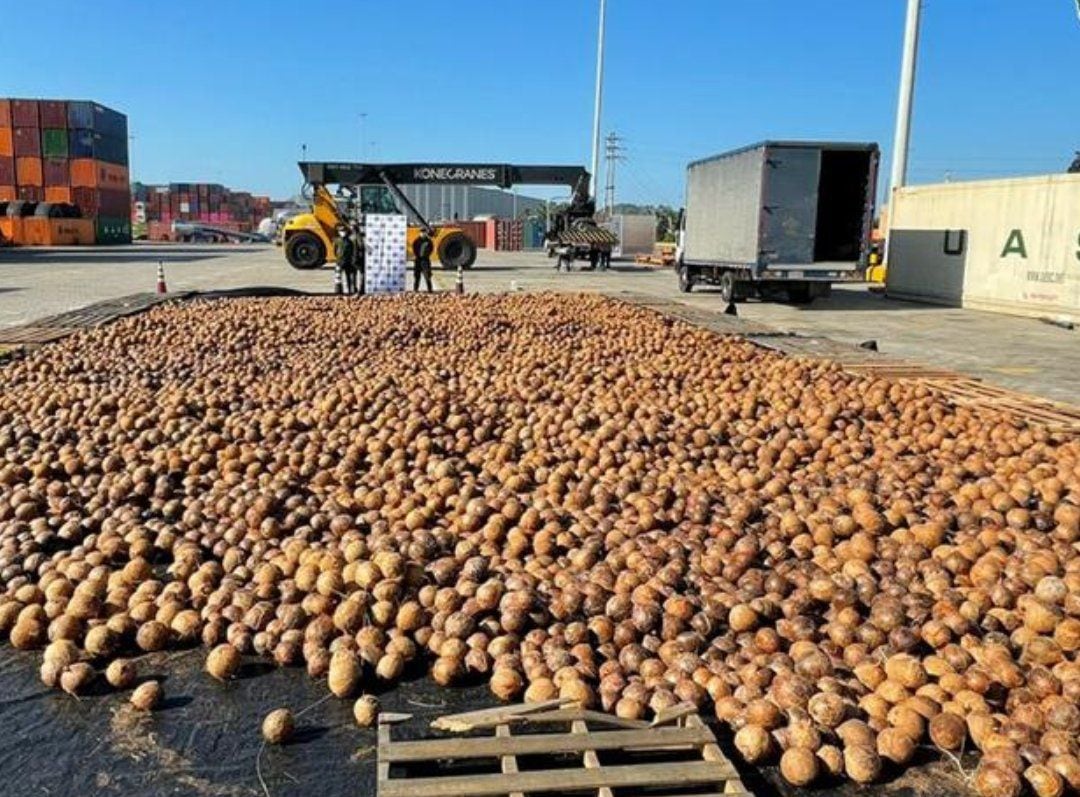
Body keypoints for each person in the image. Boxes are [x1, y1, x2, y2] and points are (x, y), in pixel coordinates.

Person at [333, 227, 357, 294]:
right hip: (339, 261)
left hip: (348, 262)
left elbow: (352, 251)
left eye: (344, 231)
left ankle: (349, 291)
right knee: (338, 277)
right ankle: (338, 291)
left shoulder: (350, 241)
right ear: (339, 232)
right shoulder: (337, 241)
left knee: (348, 277)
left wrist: (351, 260)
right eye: (341, 231)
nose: (343, 232)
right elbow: (335, 251)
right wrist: (338, 258)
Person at [412, 228, 434, 293]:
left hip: (426, 260)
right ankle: (415, 289)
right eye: (422, 232)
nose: (423, 234)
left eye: (424, 232)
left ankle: (430, 290)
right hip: (418, 260)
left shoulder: (429, 241)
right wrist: (417, 256)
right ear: (420, 233)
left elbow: (431, 249)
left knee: (427, 276)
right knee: (417, 276)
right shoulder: (416, 241)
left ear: (426, 233)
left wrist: (426, 255)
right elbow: (414, 249)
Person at [353, 228, 366, 295]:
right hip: (357, 259)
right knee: (359, 275)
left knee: (361, 275)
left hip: (358, 259)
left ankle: (360, 289)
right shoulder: (357, 238)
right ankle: (358, 289)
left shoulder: (358, 238)